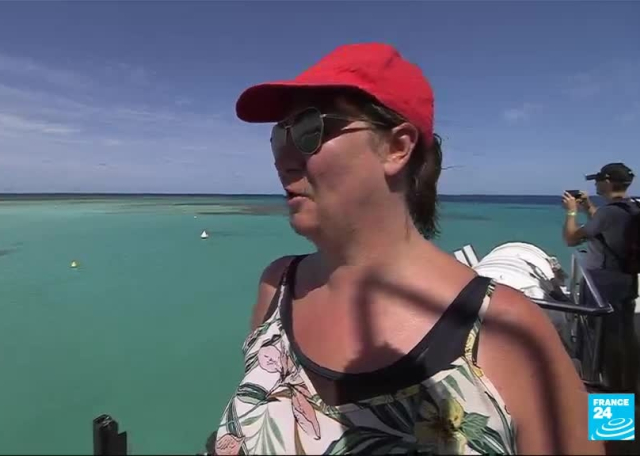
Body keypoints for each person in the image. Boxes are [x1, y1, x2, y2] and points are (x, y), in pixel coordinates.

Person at [206, 43, 602, 455]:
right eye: (279, 136)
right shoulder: (278, 287)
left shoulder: (506, 327)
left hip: (617, 301)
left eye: (309, 130)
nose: (283, 159)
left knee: (619, 367)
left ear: (397, 147)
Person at [562, 163, 640, 394]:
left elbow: (571, 238)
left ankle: (612, 400)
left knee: (604, 341)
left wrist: (571, 212)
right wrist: (588, 207)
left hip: (604, 283)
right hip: (627, 278)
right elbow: (607, 227)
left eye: (597, 180)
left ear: (607, 182)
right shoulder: (632, 207)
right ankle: (632, 389)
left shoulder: (608, 213)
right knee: (626, 335)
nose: (595, 184)